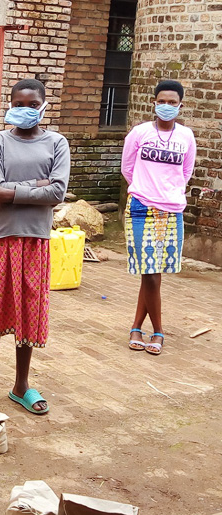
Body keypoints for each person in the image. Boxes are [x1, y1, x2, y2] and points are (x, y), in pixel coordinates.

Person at [0, 78, 68, 416]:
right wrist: (37, 185)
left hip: (36, 238)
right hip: (1, 236)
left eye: (32, 104)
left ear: (43, 106)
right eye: (18, 104)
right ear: (10, 106)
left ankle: (21, 385)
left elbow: (57, 192)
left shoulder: (57, 143)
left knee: (28, 309)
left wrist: (12, 192)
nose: (25, 109)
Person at [121, 79, 193, 356]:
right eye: (161, 101)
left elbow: (186, 172)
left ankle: (136, 327)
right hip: (141, 207)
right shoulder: (140, 133)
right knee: (149, 272)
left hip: (171, 210)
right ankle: (159, 331)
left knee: (153, 271)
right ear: (154, 103)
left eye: (172, 102)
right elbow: (127, 167)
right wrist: (145, 189)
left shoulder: (186, 136)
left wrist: (167, 192)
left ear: (180, 106)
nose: (166, 106)